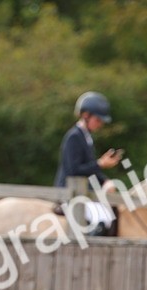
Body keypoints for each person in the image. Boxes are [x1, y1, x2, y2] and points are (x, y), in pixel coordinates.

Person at [54, 91, 122, 234]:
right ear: (85, 115)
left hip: (82, 192)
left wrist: (105, 181)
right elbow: (74, 170)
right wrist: (100, 164)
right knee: (101, 219)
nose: (100, 124)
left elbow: (90, 168)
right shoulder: (74, 137)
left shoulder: (86, 137)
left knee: (111, 215)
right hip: (69, 191)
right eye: (98, 120)